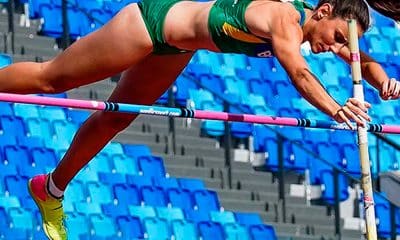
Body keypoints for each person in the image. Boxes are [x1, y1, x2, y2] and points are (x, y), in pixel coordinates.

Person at [0, 0, 397, 239]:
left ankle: (50, 189)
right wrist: (335, 108)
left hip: (176, 48)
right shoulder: (283, 20)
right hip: (154, 22)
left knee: (114, 120)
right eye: (339, 37)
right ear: (324, 11)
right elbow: (299, 74)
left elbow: (361, 59)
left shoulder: (316, 28)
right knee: (54, 79)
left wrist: (384, 84)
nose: (337, 48)